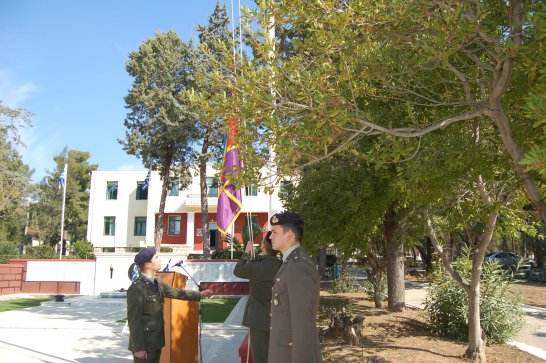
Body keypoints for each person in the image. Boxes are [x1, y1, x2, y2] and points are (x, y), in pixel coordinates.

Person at [126, 247, 213, 363]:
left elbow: (176, 292)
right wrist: (139, 348)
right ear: (147, 264)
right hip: (145, 344)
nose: (160, 259)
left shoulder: (157, 282)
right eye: (156, 258)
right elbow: (134, 320)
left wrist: (200, 294)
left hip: (156, 340)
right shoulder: (137, 288)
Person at [268, 212, 323, 363]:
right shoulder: (290, 263)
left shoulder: (298, 266)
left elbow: (303, 325)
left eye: (274, 232)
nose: (270, 237)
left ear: (289, 235)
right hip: (283, 353)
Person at [233, 231, 282, 363]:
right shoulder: (282, 266)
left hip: (258, 319)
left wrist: (247, 252)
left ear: (263, 247)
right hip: (279, 318)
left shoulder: (255, 265)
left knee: (260, 357)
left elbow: (237, 270)